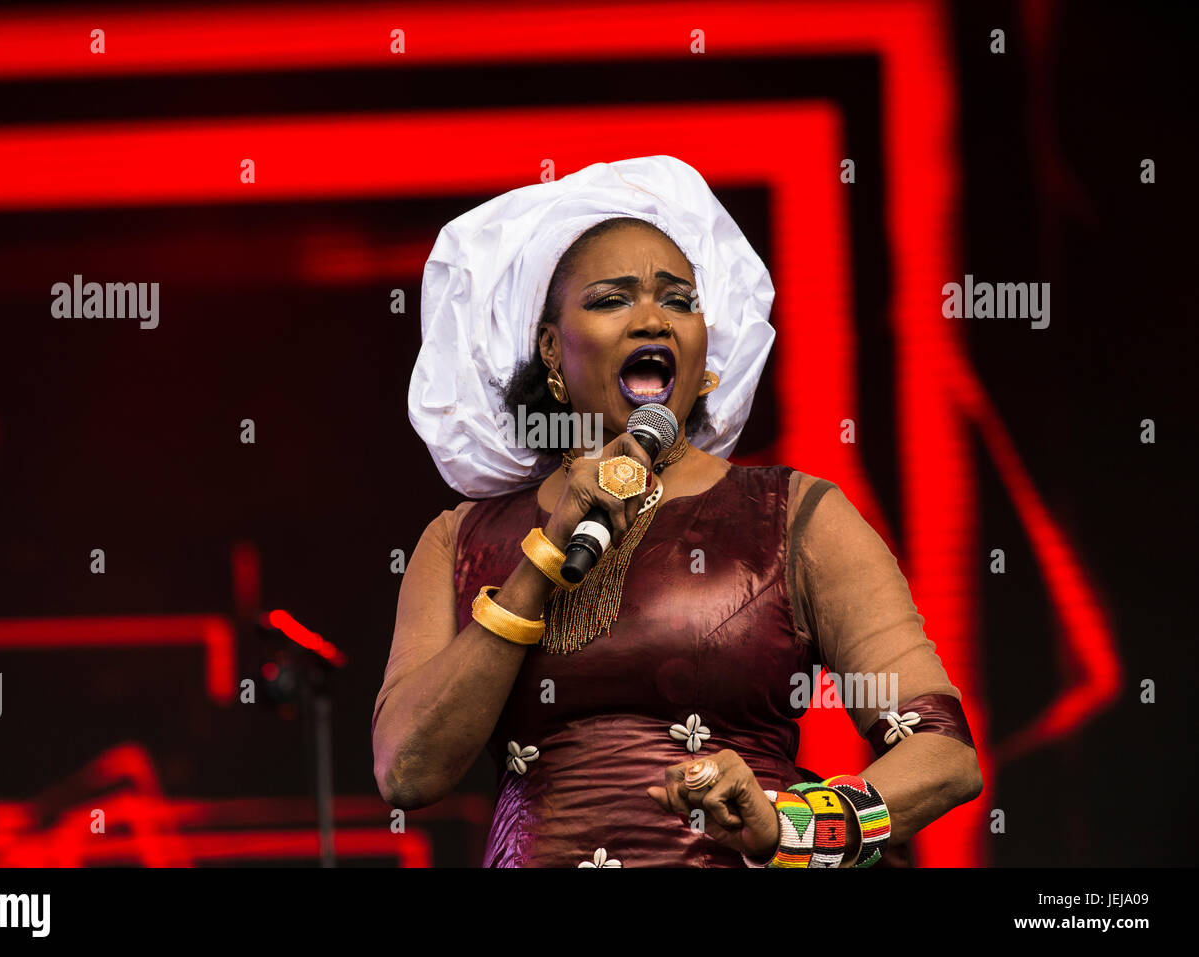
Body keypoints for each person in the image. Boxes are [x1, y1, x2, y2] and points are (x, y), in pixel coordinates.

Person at [373, 156, 981, 867]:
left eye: (679, 299)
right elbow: (407, 771)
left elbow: (943, 755)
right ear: (549, 352)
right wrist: (545, 554)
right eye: (610, 299)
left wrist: (790, 827)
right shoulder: (462, 537)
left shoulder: (797, 515)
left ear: (702, 351)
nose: (653, 317)